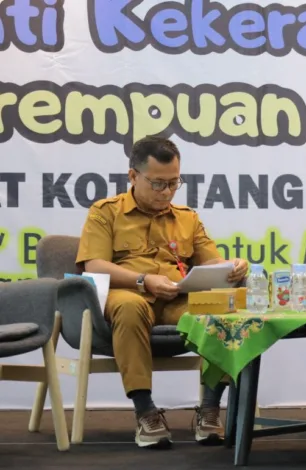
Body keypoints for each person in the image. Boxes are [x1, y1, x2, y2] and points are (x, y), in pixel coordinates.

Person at [75, 136, 249, 449]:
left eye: (173, 183)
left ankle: (210, 409)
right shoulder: (105, 213)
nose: (167, 192)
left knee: (220, 310)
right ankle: (146, 412)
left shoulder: (187, 218)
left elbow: (211, 262)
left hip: (175, 299)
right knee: (130, 307)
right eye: (158, 184)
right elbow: (95, 265)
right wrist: (143, 280)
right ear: (133, 176)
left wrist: (234, 266)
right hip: (127, 294)